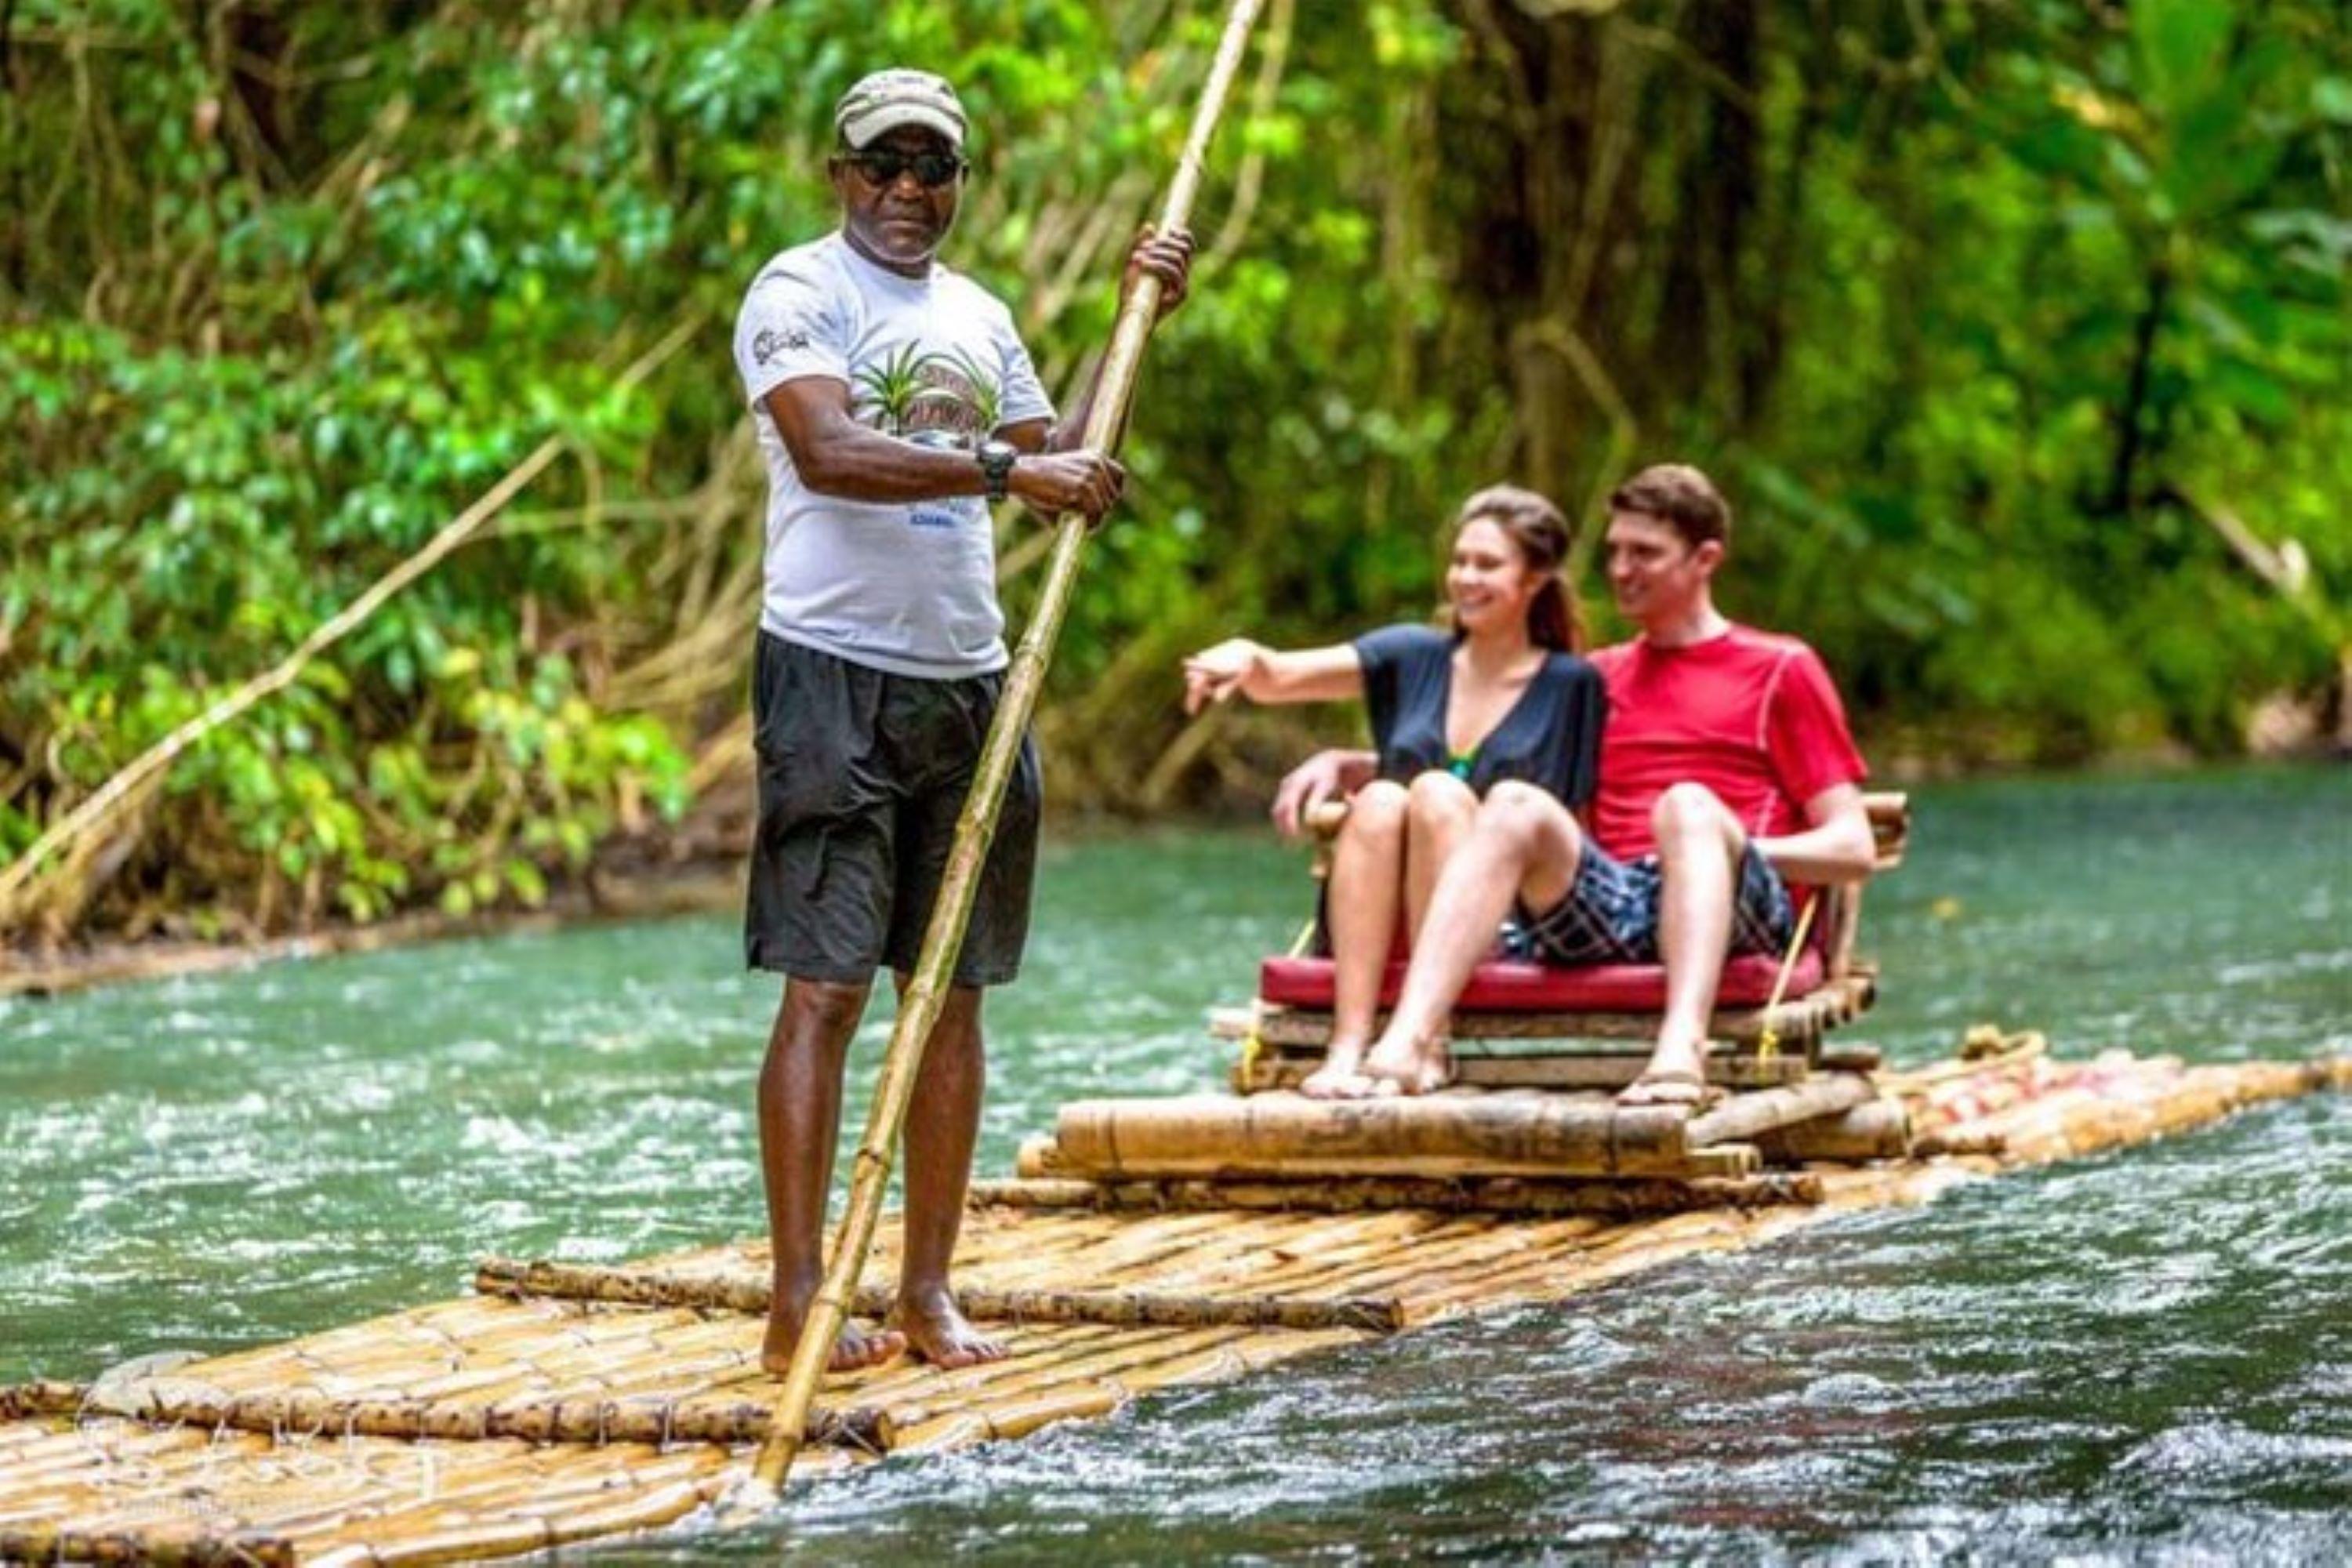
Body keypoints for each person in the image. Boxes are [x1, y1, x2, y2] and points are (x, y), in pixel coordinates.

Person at [731, 67, 1192, 1374]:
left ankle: (927, 1292)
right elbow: (831, 453)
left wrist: (1130, 316)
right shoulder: (797, 292)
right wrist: (1004, 464)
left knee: (952, 995)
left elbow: (1072, 463)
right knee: (824, 988)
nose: (907, 190)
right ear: (842, 174)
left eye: (934, 167)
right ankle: (797, 1303)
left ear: (959, 184)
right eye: (885, 165)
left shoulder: (982, 315)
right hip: (833, 673)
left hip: (973, 682)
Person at [1285, 463, 1875, 1101]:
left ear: (1706, 559)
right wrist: (1352, 764)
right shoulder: (1593, 678)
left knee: (1687, 807)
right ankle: (1409, 1043)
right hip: (1612, 900)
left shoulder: (1780, 668)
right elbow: (1482, 767)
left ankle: (1680, 1053)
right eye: (1616, 551)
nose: (1621, 569)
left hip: (1734, 895)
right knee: (1514, 803)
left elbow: (1854, 847)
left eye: (1645, 553)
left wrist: (1698, 851)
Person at [1181, 486, 1606, 1098]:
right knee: (1382, 799)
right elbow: (1279, 676)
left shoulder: (1571, 684)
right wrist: (1245, 657)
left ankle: (1428, 1039)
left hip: (1496, 919)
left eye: (1487, 564)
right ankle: (1348, 1044)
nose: (1465, 577)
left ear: (1535, 579)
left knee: (1435, 791)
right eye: (1459, 561)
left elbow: (1570, 826)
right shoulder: (1412, 654)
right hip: (1374, 907)